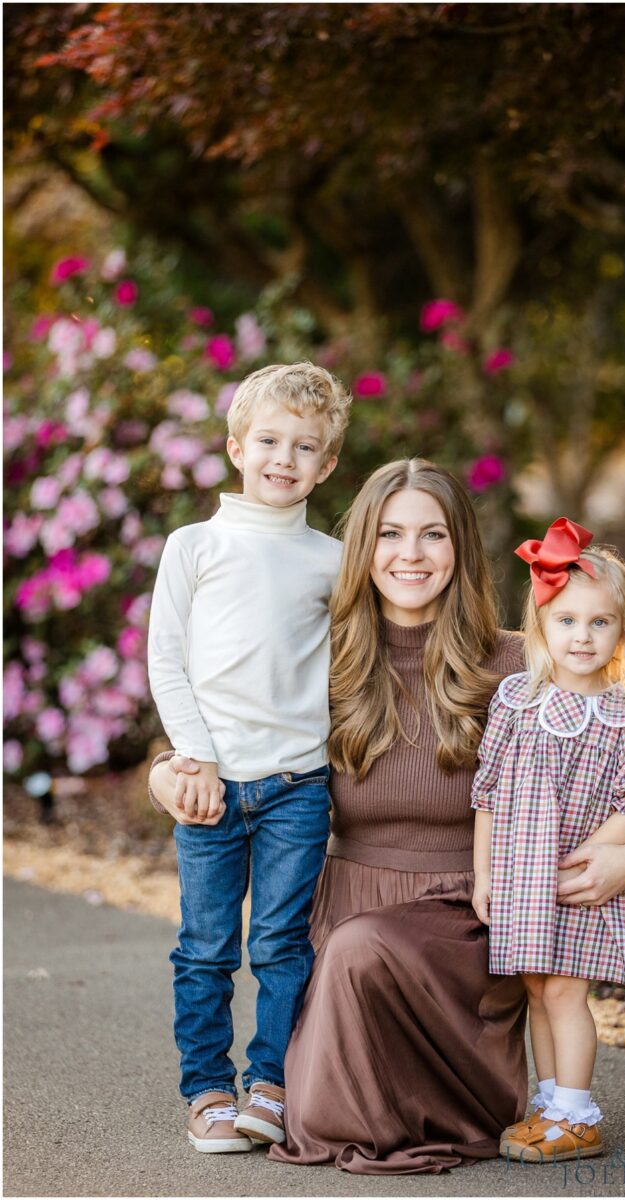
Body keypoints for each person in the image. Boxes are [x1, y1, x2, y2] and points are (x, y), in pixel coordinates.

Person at [151, 460, 625, 1175]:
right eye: (390, 534)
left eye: (432, 535)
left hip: (467, 924)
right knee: (314, 1076)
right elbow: (225, 740)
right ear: (362, 547)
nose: (410, 554)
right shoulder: (317, 658)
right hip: (341, 918)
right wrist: (165, 774)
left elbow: (614, 769)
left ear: (460, 548)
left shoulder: (521, 664)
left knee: (360, 959)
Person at [147, 362, 350, 1152]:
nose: (284, 458)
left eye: (305, 447)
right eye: (268, 440)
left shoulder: (331, 560)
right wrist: (192, 758)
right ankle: (207, 1091)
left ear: (326, 464)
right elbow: (166, 659)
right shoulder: (195, 546)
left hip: (298, 784)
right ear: (236, 448)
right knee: (205, 947)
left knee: (281, 944)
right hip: (211, 785)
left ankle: (271, 1082)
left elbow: (350, 667)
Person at [472, 517, 625, 1164]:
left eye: (599, 622)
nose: (582, 636)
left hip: (577, 883)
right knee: (537, 990)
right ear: (541, 626)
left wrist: (592, 855)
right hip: (521, 880)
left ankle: (578, 1115)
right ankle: (550, 1105)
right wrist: (484, 875)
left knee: (564, 993)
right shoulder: (516, 700)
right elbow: (488, 793)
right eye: (566, 620)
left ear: (623, 631)